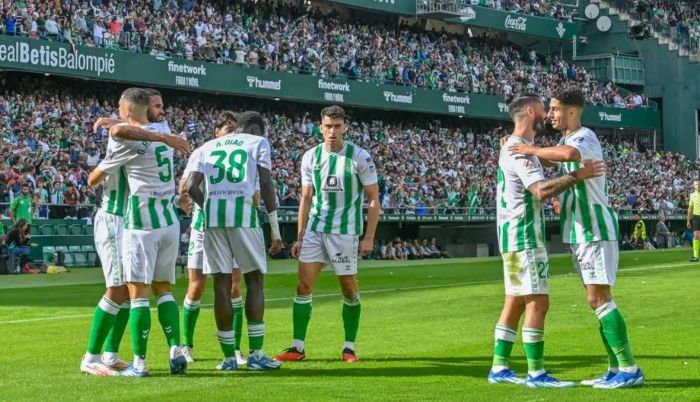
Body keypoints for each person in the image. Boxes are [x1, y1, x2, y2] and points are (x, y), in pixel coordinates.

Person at [508, 87, 644, 388]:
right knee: (597, 300)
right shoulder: (563, 140)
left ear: (572, 111)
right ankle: (615, 368)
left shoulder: (585, 137)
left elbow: (569, 156)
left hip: (593, 229)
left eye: (555, 108)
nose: (550, 114)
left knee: (600, 299)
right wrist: (518, 144)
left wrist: (529, 150)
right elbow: (555, 159)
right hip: (580, 231)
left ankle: (629, 368)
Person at [489, 94, 603, 387]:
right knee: (538, 302)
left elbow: (548, 161)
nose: (548, 115)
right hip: (525, 235)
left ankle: (499, 367)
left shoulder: (515, 147)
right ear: (530, 112)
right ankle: (536, 373)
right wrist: (578, 176)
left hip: (511, 234)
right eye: (544, 109)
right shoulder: (519, 151)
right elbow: (540, 191)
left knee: (515, 302)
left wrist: (536, 151)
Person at [82, 89, 189, 377]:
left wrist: (117, 125)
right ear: (144, 109)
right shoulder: (158, 133)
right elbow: (124, 129)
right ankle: (93, 356)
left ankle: (109, 354)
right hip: (118, 218)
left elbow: (120, 133)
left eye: (162, 106)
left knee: (130, 293)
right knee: (121, 289)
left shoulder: (133, 136)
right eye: (156, 106)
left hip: (134, 220)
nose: (161, 111)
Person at [274, 105, 380, 363]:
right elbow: (306, 198)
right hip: (315, 230)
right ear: (320, 128)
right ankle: (297, 347)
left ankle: (349, 347)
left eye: (337, 126)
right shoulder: (310, 156)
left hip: (344, 232)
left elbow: (373, 198)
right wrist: (300, 236)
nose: (333, 131)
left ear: (345, 127)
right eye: (328, 126)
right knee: (303, 286)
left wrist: (369, 237)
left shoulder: (359, 157)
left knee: (349, 289)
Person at [186, 111, 283, 371]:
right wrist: (275, 230)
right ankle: (256, 355)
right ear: (256, 129)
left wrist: (208, 207)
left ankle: (229, 358)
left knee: (221, 284)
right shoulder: (258, 142)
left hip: (213, 219)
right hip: (243, 217)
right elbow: (266, 183)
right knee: (254, 281)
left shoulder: (208, 146)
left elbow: (191, 187)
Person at [178, 112, 249, 367]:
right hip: (203, 225)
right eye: (227, 129)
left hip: (232, 224)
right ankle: (186, 345)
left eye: (235, 129)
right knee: (196, 286)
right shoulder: (202, 152)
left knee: (234, 287)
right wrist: (190, 191)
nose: (231, 133)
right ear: (216, 132)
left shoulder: (244, 154)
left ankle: (236, 348)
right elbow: (184, 186)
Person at [686, 180, 700, 261]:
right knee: (696, 236)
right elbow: (690, 208)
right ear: (694, 186)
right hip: (696, 217)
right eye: (696, 184)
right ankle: (695, 256)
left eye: (699, 184)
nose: (698, 185)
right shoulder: (692, 195)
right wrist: (688, 220)